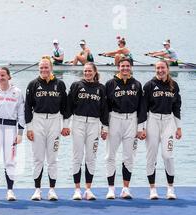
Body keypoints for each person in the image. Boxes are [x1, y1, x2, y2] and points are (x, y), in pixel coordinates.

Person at [25, 57, 67, 201]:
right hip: (38, 121)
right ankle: (37, 190)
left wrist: (65, 125)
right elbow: (27, 108)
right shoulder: (33, 84)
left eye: (46, 67)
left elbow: (65, 107)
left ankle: (52, 190)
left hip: (54, 122)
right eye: (41, 68)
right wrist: (29, 128)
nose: (44, 70)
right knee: (37, 158)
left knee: (52, 158)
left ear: (51, 68)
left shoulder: (60, 84)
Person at [65, 63, 109, 200]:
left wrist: (105, 127)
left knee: (91, 157)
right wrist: (66, 125)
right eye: (85, 71)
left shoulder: (101, 88)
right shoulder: (76, 86)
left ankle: (88, 189)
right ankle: (77, 189)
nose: (87, 73)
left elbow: (104, 110)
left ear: (95, 72)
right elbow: (68, 107)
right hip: (78, 122)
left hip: (94, 124)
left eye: (90, 71)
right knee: (77, 156)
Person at [104, 57, 146, 200]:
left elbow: (142, 108)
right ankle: (111, 189)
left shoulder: (137, 84)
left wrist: (141, 127)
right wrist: (104, 127)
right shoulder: (110, 84)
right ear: (118, 67)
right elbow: (105, 107)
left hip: (132, 121)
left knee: (129, 157)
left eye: (127, 66)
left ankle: (125, 189)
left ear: (131, 67)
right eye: (122, 66)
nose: (125, 69)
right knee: (110, 155)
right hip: (115, 119)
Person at [0, 67, 25, 201]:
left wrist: (20, 133)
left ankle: (10, 191)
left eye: (3, 75)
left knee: (10, 161)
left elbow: (21, 114)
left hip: (11, 128)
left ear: (9, 76)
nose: (0, 78)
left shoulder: (17, 93)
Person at [143, 60, 182, 200]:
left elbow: (177, 107)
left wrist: (179, 128)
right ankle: (152, 189)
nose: (160, 70)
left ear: (167, 69)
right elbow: (143, 108)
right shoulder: (149, 85)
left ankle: (170, 188)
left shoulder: (174, 85)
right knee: (151, 156)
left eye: (163, 68)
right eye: (158, 68)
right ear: (155, 70)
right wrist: (141, 128)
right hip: (152, 121)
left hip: (168, 122)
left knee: (168, 156)